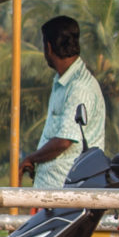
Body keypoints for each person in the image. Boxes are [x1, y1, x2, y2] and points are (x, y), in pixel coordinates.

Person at [18, 16, 107, 187]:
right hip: (54, 192)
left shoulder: (79, 87)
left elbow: (64, 141)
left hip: (69, 195)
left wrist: (31, 158)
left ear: (49, 47)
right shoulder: (62, 82)